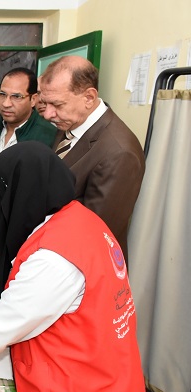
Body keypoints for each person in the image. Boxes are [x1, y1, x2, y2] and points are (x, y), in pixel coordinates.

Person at [0, 142, 145, 392]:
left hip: (81, 385)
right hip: (98, 369)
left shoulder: (55, 258)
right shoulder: (75, 219)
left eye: (1, 191)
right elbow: (18, 272)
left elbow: (6, 322)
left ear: (22, 192)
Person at [38, 55, 145, 259]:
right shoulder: (71, 122)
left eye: (57, 105)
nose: (48, 114)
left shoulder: (120, 153)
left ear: (88, 97)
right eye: (45, 103)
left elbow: (95, 232)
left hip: (79, 264)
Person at [0, 67, 56, 279]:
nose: (6, 103)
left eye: (16, 97)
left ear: (33, 99)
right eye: (2, 94)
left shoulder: (47, 135)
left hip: (18, 237)